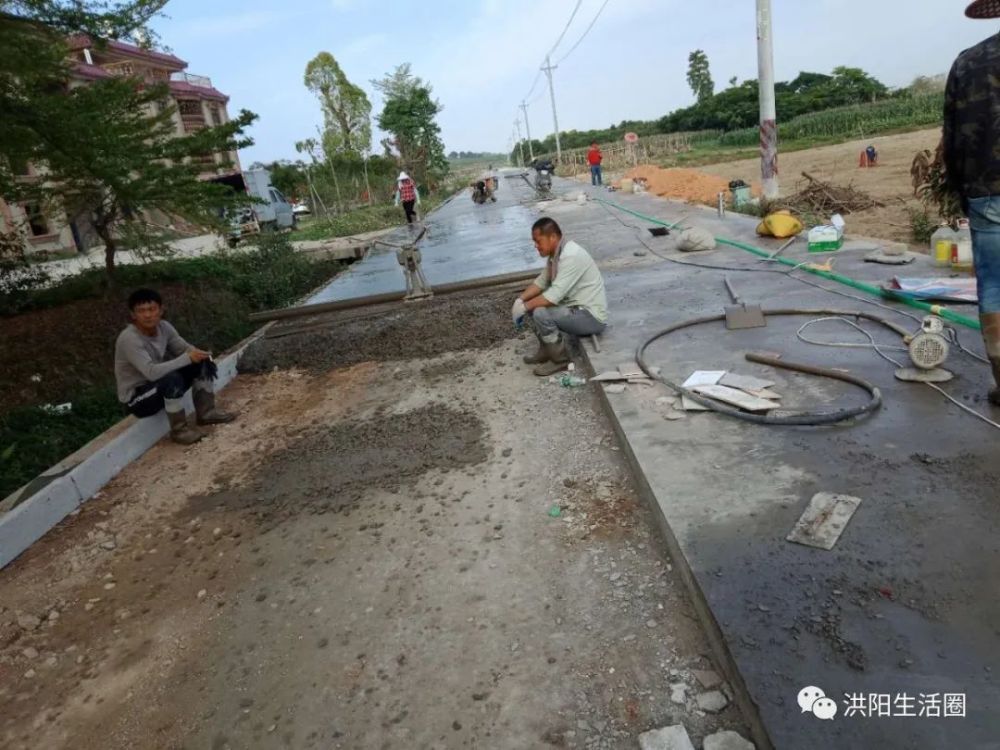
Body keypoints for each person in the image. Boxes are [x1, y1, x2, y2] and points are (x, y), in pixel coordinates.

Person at [943, 0, 1000, 405]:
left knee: (995, 285)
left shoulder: (968, 62)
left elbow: (952, 138)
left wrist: (966, 194)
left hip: (986, 190)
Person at [114, 288, 235, 445]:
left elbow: (184, 349)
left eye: (152, 309)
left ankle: (207, 413)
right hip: (137, 398)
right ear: (133, 315)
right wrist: (187, 358)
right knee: (172, 379)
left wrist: (202, 356)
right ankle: (179, 430)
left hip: (157, 385)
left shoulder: (164, 327)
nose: (148, 315)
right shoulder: (129, 339)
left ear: (161, 310)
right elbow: (151, 372)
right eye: (141, 311)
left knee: (201, 362)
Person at [512, 217, 608, 376]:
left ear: (553, 237)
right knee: (532, 305)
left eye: (538, 241)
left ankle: (561, 361)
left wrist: (525, 307)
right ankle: (546, 350)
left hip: (591, 317)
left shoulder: (570, 256)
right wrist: (520, 300)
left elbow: (553, 296)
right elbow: (541, 282)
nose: (536, 246)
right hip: (575, 309)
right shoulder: (555, 255)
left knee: (540, 312)